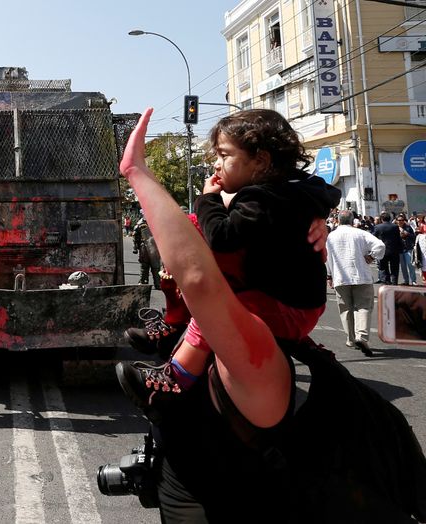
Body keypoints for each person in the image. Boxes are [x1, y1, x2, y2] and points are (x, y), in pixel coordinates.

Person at [114, 107, 426, 522]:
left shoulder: (253, 349)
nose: (179, 261)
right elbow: (195, 275)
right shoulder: (218, 315)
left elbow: (199, 275)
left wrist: (140, 173)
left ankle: (170, 383)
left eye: (225, 154)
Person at [119, 108, 339, 401]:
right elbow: (323, 193)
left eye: (224, 156)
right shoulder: (293, 190)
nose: (217, 165)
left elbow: (222, 239)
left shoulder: (262, 199)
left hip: (283, 306)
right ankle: (174, 322)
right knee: (198, 234)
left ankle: (178, 374)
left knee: (216, 304)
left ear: (261, 161)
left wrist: (207, 199)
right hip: (290, 298)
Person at [325, 209, 385, 356]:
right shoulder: (360, 233)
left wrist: (329, 276)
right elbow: (380, 246)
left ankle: (351, 339)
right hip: (361, 275)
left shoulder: (331, 236)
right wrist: (372, 256)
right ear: (353, 221)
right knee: (363, 306)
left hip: (340, 276)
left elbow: (327, 258)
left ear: (338, 220)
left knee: (345, 308)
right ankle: (362, 336)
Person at [374, 212, 404, 284]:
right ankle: (394, 282)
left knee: (384, 267)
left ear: (381, 219)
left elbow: (373, 238)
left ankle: (386, 282)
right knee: (395, 268)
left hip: (383, 250)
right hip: (394, 250)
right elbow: (398, 238)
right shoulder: (395, 227)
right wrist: (400, 248)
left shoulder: (378, 227)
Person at [132, 216, 161, 289]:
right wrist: (135, 247)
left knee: (155, 267)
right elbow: (135, 236)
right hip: (145, 247)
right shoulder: (141, 223)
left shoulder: (157, 222)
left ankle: (156, 283)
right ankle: (144, 282)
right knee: (145, 266)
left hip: (153, 246)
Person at [397, 214, 418, 285]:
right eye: (399, 220)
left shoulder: (408, 227)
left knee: (410, 264)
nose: (401, 221)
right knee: (403, 266)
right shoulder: (395, 228)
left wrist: (407, 234)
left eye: (402, 220)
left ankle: (413, 280)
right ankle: (406, 280)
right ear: (397, 221)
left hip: (408, 248)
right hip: (400, 249)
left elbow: (414, 237)